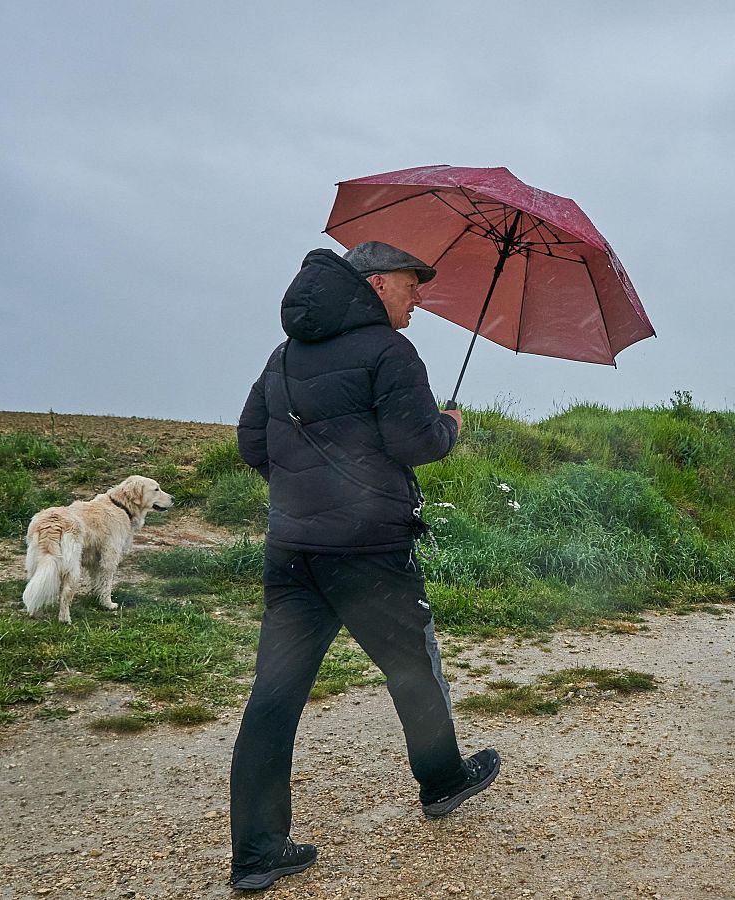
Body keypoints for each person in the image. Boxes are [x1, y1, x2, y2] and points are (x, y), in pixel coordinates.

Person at [228, 242, 499, 891]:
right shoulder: (388, 351)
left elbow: (250, 442)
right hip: (372, 552)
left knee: (273, 696)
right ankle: (441, 781)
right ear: (377, 284)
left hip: (292, 552)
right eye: (412, 284)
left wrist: (302, 495)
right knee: (413, 666)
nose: (420, 297)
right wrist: (450, 426)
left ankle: (257, 852)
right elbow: (416, 441)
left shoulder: (283, 355)